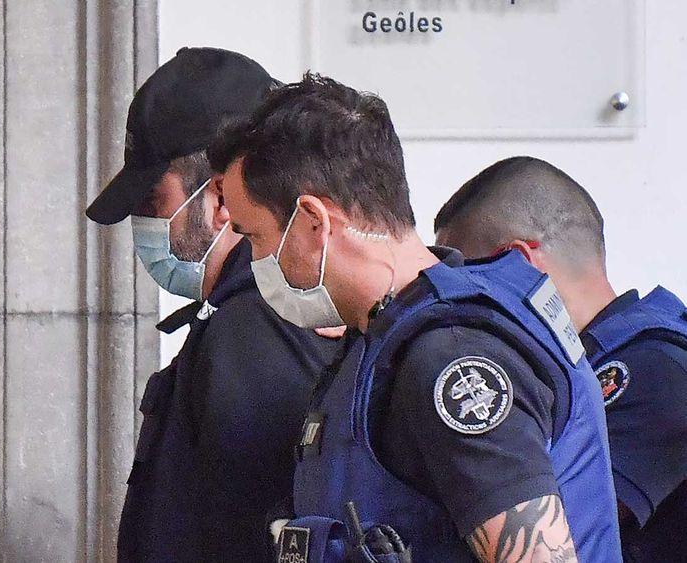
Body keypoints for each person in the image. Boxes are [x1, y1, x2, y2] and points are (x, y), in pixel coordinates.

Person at [208, 74, 621, 562]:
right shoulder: (382, 338)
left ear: (314, 222)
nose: (257, 262)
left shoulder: (451, 357)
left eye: (255, 237)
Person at [86, 48, 339, 562]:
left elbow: (250, 535)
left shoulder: (254, 328)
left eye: (151, 202)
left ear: (221, 198)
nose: (145, 225)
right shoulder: (255, 314)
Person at [434, 156, 687, 562]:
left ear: (519, 261)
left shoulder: (656, 371)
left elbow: (546, 535)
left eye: (471, 280)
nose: (467, 302)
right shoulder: (586, 365)